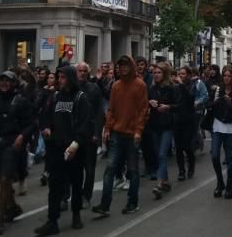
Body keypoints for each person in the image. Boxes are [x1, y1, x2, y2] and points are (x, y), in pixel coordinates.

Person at [35, 66, 92, 236]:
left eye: (62, 77)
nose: (59, 80)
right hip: (56, 147)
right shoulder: (55, 97)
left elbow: (86, 123)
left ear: (70, 78)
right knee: (55, 185)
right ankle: (52, 220)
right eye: (58, 77)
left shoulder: (80, 98)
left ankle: (76, 214)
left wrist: (76, 143)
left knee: (75, 183)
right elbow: (44, 115)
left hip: (74, 148)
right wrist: (45, 128)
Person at [93, 55, 149, 217]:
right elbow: (111, 109)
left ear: (131, 67)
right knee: (110, 168)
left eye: (125, 65)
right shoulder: (116, 86)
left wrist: (139, 130)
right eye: (120, 66)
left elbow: (142, 110)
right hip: (117, 133)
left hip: (132, 134)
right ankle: (105, 204)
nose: (123, 68)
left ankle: (132, 202)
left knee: (133, 170)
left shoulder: (140, 85)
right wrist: (108, 128)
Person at [0, 70, 36, 237]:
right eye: (1, 80)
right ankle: (12, 206)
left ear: (13, 84)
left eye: (8, 81)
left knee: (6, 179)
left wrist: (22, 136)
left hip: (12, 144)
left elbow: (32, 123)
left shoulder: (20, 101)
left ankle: (0, 217)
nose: (4, 84)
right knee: (0, 179)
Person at [148, 63, 180, 199]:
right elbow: (145, 102)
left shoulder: (171, 88)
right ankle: (166, 181)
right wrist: (150, 102)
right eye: (154, 72)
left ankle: (159, 183)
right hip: (155, 124)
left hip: (167, 125)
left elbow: (178, 106)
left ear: (164, 74)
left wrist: (168, 107)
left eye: (159, 72)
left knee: (162, 154)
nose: (156, 75)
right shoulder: (151, 88)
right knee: (158, 154)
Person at [210, 65, 232, 199]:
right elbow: (210, 106)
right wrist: (217, 101)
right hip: (218, 125)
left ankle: (229, 186)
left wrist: (231, 104)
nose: (226, 78)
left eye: (229, 76)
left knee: (229, 159)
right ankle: (220, 182)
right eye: (225, 76)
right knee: (215, 155)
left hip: (231, 127)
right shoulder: (219, 90)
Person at [76, 62, 103, 208]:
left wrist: (97, 133)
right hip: (75, 135)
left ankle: (86, 196)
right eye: (79, 71)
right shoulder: (71, 88)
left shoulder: (94, 88)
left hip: (90, 134)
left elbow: (99, 113)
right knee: (74, 168)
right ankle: (71, 195)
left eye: (84, 71)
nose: (82, 73)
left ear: (88, 72)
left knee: (89, 167)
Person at [174, 66, 199, 180]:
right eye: (179, 74)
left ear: (188, 75)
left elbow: (190, 98)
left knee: (187, 146)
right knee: (178, 147)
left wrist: (181, 85)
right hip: (178, 120)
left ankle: (191, 166)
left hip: (189, 120)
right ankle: (181, 171)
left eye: (183, 74)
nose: (181, 76)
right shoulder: (176, 87)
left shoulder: (192, 85)